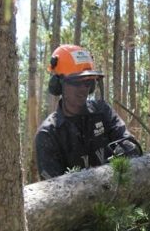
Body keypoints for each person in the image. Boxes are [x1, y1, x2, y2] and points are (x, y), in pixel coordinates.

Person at [36, 44, 142, 180]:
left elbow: (129, 142)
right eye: (76, 82)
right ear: (59, 84)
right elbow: (53, 190)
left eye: (87, 83)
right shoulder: (48, 134)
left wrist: (127, 150)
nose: (83, 89)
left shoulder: (103, 112)